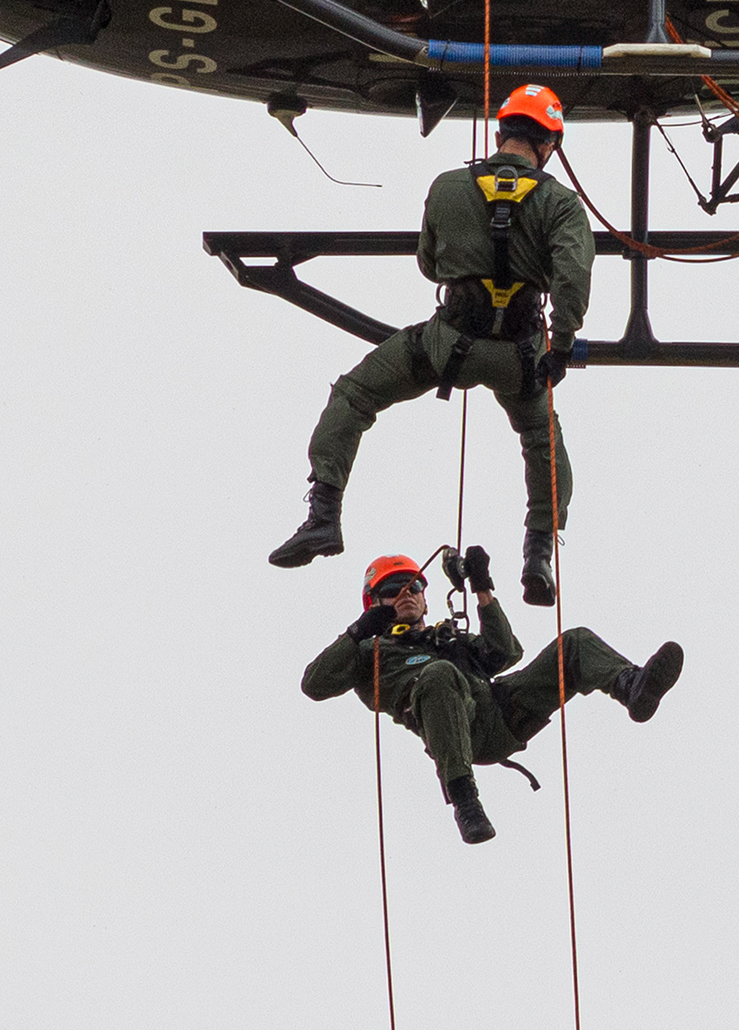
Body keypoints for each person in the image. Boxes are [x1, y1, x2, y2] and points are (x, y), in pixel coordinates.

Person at [267, 85, 591, 602]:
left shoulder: (447, 187)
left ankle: (323, 515)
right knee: (541, 440)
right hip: (520, 355)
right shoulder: (561, 203)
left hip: (449, 345)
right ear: (550, 143)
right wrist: (562, 347)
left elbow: (429, 265)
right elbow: (572, 278)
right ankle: (538, 555)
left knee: (355, 394)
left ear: (499, 131)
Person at [303, 551, 684, 845]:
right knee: (438, 674)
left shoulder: (446, 638)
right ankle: (465, 801)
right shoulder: (370, 654)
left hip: (499, 711)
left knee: (575, 643)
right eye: (392, 590)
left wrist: (483, 589)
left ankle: (631, 688)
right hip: (458, 729)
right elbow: (314, 684)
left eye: (413, 586)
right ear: (374, 603)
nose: (406, 594)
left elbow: (505, 654)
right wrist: (357, 632)